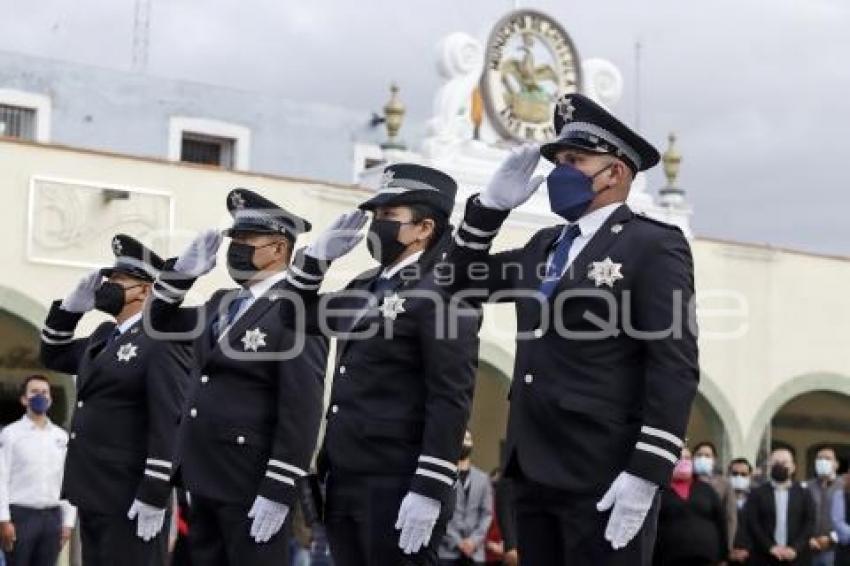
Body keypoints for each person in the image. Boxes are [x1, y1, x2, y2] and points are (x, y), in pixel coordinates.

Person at [442, 92, 699, 566]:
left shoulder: (653, 245)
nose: (560, 172)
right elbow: (456, 284)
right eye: (559, 159)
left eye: (575, 160)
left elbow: (673, 365)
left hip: (603, 472)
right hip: (532, 469)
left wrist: (647, 470)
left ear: (616, 173)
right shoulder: (542, 247)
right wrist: (489, 208)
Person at [291, 163, 480, 565]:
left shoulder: (445, 289)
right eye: (376, 215)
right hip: (345, 475)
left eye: (389, 216)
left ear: (424, 228)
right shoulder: (364, 285)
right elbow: (292, 317)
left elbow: (451, 395)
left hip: (400, 480)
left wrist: (429, 485)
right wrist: (314, 262)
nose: (377, 225)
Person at [147, 188, 329, 566]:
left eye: (247, 240)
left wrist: (280, 487)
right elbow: (158, 322)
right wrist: (181, 276)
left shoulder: (298, 309)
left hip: (251, 482)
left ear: (279, 248)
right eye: (235, 239)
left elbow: (302, 408)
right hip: (202, 478)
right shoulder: (222, 302)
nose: (236, 248)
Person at [39, 234, 191, 566]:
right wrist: (68, 311)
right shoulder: (103, 336)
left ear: (145, 289)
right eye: (111, 278)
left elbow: (170, 419)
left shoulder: (162, 339)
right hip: (92, 487)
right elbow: (53, 355)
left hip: (130, 492)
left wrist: (155, 491)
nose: (110, 285)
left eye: (120, 279)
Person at [0, 375, 76, 566]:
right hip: (21, 517)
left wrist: (68, 522)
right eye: (34, 392)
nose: (40, 396)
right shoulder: (10, 434)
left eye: (44, 392)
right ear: (24, 399)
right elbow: (1, 478)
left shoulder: (60, 437)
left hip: (52, 518)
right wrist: (3, 519)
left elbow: (67, 481)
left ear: (50, 399)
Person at [652, 447, 727, 566]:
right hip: (669, 558)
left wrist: (724, 557)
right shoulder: (658, 491)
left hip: (707, 558)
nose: (684, 461)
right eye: (679, 458)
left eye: (687, 458)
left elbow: (721, 522)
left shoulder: (706, 489)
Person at [745, 447, 815, 565]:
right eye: (776, 463)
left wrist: (795, 548)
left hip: (797, 557)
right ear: (769, 466)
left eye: (784, 463)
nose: (780, 466)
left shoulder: (804, 493)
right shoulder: (757, 493)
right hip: (764, 556)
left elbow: (809, 522)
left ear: (793, 467)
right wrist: (770, 547)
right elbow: (753, 523)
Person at [439, 431, 493, 566]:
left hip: (475, 553)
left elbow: (487, 514)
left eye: (468, 438)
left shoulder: (483, 478)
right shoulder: (443, 477)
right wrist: (457, 542)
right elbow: (439, 511)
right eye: (462, 438)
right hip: (447, 552)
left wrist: (473, 541)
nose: (465, 442)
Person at [694, 441, 739, 556]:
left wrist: (728, 546)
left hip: (713, 542)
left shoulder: (724, 484)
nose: (703, 458)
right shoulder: (686, 481)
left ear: (714, 460)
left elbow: (731, 517)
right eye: (699, 455)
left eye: (707, 456)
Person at [807, 447, 842, 566]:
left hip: (837, 550)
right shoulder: (807, 487)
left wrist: (832, 538)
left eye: (827, 458)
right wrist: (808, 538)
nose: (823, 461)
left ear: (836, 464)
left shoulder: (844, 487)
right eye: (819, 458)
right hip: (809, 549)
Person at [729, 457, 754, 564]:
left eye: (744, 474)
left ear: (750, 476)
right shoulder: (720, 498)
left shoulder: (757, 499)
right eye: (735, 474)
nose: (739, 477)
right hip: (726, 557)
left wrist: (748, 550)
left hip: (753, 557)